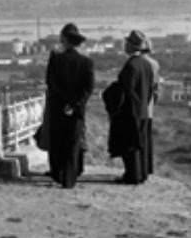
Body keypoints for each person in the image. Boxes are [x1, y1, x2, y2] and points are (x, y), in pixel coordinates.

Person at [43, 23, 95, 188]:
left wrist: (64, 101)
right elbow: (89, 87)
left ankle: (58, 173)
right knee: (73, 142)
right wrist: (75, 103)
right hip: (77, 109)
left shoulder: (56, 59)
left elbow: (51, 83)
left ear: (64, 40)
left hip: (57, 106)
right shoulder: (86, 61)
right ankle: (70, 178)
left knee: (58, 140)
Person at [106, 29, 159, 184]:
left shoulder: (131, 65)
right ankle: (140, 174)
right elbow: (151, 90)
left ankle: (132, 175)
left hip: (130, 111)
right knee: (139, 143)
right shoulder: (146, 64)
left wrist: (115, 105)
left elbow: (125, 89)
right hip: (142, 109)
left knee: (129, 145)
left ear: (131, 45)